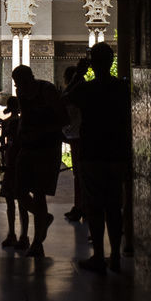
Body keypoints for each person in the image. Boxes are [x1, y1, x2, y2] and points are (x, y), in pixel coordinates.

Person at [65, 43, 130, 273]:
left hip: (92, 152)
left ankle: (99, 257)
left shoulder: (87, 89)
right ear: (111, 62)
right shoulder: (122, 88)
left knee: (94, 205)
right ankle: (115, 256)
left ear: (92, 63)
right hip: (116, 153)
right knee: (114, 205)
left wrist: (79, 74)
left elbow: (63, 101)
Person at [11, 64, 67, 257]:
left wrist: (43, 131)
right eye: (17, 84)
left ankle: (37, 243)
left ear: (30, 78)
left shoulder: (47, 90)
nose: (19, 87)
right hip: (28, 147)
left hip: (46, 149)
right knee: (20, 191)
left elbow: (63, 118)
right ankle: (44, 218)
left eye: (21, 83)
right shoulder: (22, 93)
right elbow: (24, 118)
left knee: (40, 193)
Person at [0, 96, 28, 249]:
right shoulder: (22, 123)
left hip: (10, 166)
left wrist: (1, 140)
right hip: (18, 166)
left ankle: (12, 233)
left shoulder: (7, 124)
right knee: (22, 203)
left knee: (11, 204)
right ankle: (23, 235)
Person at [61, 64, 84, 222]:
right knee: (80, 175)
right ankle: (80, 206)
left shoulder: (75, 94)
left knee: (80, 176)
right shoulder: (82, 91)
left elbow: (63, 101)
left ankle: (81, 207)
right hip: (79, 137)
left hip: (79, 138)